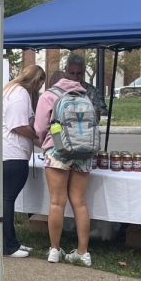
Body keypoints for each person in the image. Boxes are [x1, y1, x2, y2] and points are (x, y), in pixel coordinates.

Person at [0, 65, 45, 257]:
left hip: (1, 151)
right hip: (10, 153)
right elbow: (18, 126)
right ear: (36, 81)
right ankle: (4, 245)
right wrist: (38, 136)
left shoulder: (10, 90)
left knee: (5, 199)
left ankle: (8, 242)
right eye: (41, 84)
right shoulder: (21, 94)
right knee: (6, 200)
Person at [34, 72, 95, 266]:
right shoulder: (84, 96)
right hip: (83, 151)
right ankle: (83, 252)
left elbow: (40, 127)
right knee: (80, 202)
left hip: (58, 150)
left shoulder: (48, 96)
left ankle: (54, 250)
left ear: (52, 82)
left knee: (56, 202)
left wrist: (45, 141)